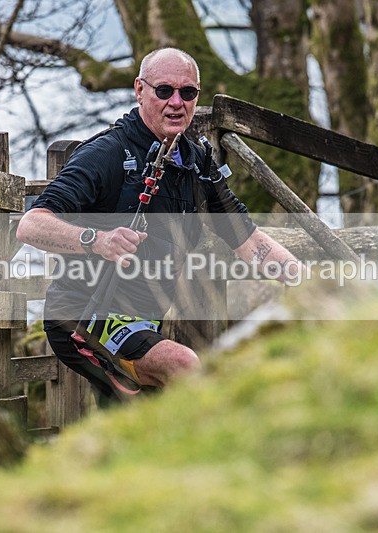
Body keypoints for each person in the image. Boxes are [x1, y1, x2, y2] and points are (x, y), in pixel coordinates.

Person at [16, 48, 298, 404]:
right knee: (183, 365)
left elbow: (248, 240)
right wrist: (95, 239)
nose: (176, 102)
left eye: (188, 92)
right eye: (164, 90)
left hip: (143, 322)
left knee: (140, 418)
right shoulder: (106, 153)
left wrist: (308, 281)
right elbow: (31, 225)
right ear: (140, 90)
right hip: (84, 318)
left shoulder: (197, 161)